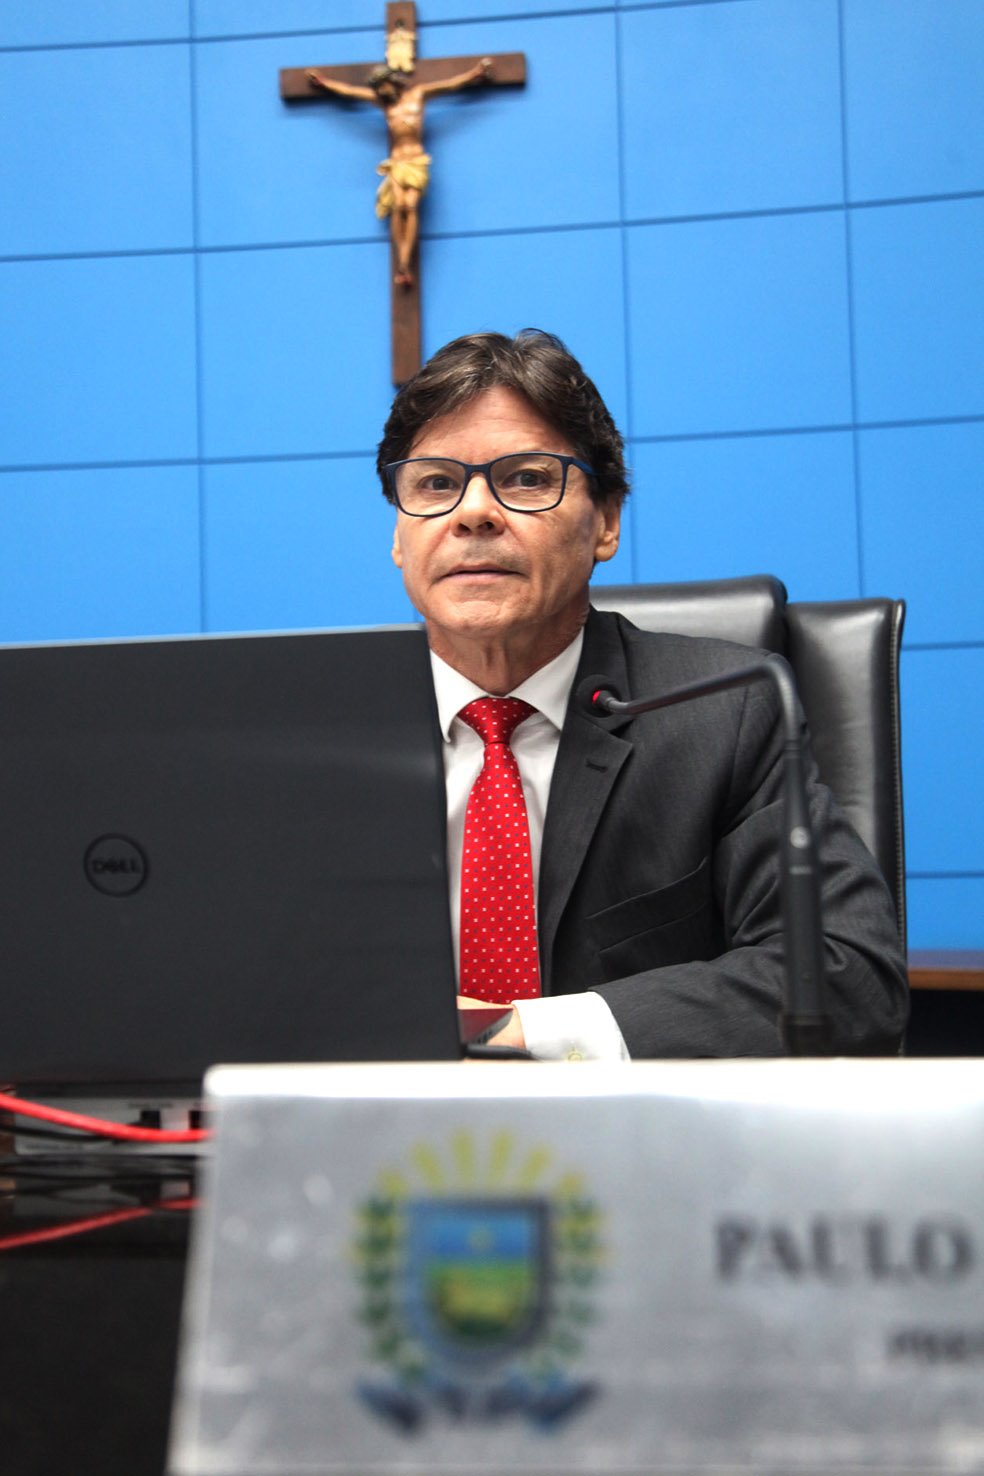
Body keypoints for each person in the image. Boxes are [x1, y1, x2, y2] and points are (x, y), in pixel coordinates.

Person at [376, 329, 909, 1060]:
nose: (473, 512)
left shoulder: (725, 714)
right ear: (399, 536)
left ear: (606, 521)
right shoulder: (314, 737)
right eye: (435, 484)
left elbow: (849, 978)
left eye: (526, 478)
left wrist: (513, 1032)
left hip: (638, 1127)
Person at [307, 59, 494, 287]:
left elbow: (449, 85)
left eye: (383, 86)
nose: (381, 92)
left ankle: (405, 259)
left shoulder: (419, 94)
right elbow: (351, 92)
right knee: (398, 207)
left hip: (416, 161)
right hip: (397, 162)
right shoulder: (384, 104)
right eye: (378, 89)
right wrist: (325, 83)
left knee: (410, 206)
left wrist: (474, 74)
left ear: (392, 81)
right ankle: (402, 263)